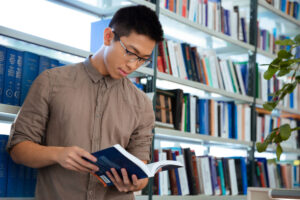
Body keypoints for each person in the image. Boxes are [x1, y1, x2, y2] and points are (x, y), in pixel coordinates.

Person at [6, 5, 163, 200]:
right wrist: (58, 154)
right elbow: (18, 149)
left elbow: (141, 167)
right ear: (107, 36)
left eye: (143, 59)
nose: (133, 65)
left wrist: (136, 181)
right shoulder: (51, 82)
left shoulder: (142, 105)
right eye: (130, 52)